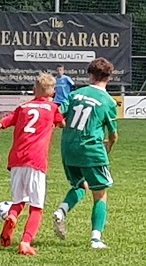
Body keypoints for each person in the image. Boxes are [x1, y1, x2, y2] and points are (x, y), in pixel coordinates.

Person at [0, 73, 65, 256]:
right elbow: (63, 124)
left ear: (34, 90)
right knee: (37, 207)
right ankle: (25, 242)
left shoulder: (22, 107)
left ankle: (12, 217)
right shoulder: (52, 108)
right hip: (36, 161)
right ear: (52, 92)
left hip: (16, 160)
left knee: (18, 201)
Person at [50, 57, 118, 249]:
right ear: (109, 77)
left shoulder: (75, 94)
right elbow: (113, 135)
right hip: (91, 150)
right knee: (100, 194)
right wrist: (109, 147)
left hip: (69, 148)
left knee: (81, 185)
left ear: (90, 75)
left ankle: (62, 211)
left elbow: (57, 115)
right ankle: (96, 238)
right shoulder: (108, 102)